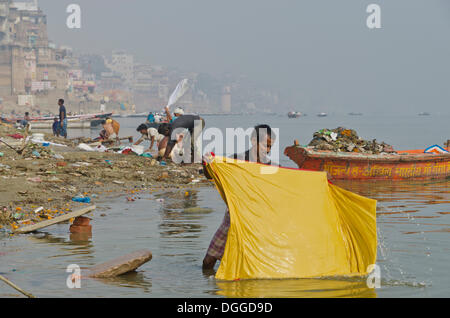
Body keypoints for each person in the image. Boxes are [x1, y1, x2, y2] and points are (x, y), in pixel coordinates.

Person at [202, 124, 277, 270]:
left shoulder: (271, 167)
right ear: (254, 140)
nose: (267, 150)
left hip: (257, 219)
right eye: (265, 145)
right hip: (233, 216)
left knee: (249, 261)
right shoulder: (236, 160)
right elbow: (211, 176)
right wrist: (206, 164)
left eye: (270, 147)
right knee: (208, 261)